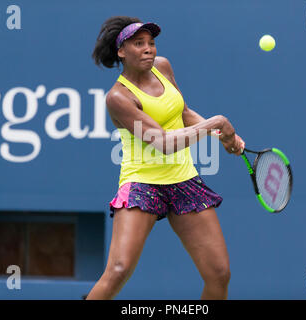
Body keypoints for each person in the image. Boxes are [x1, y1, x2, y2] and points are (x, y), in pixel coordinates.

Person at [86, 16, 245, 300]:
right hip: (142, 184)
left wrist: (222, 135)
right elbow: (164, 143)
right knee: (119, 270)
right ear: (121, 51)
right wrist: (217, 123)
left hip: (184, 180)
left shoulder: (163, 67)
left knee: (219, 274)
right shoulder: (118, 98)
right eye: (139, 44)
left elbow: (183, 114)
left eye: (151, 43)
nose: (149, 49)